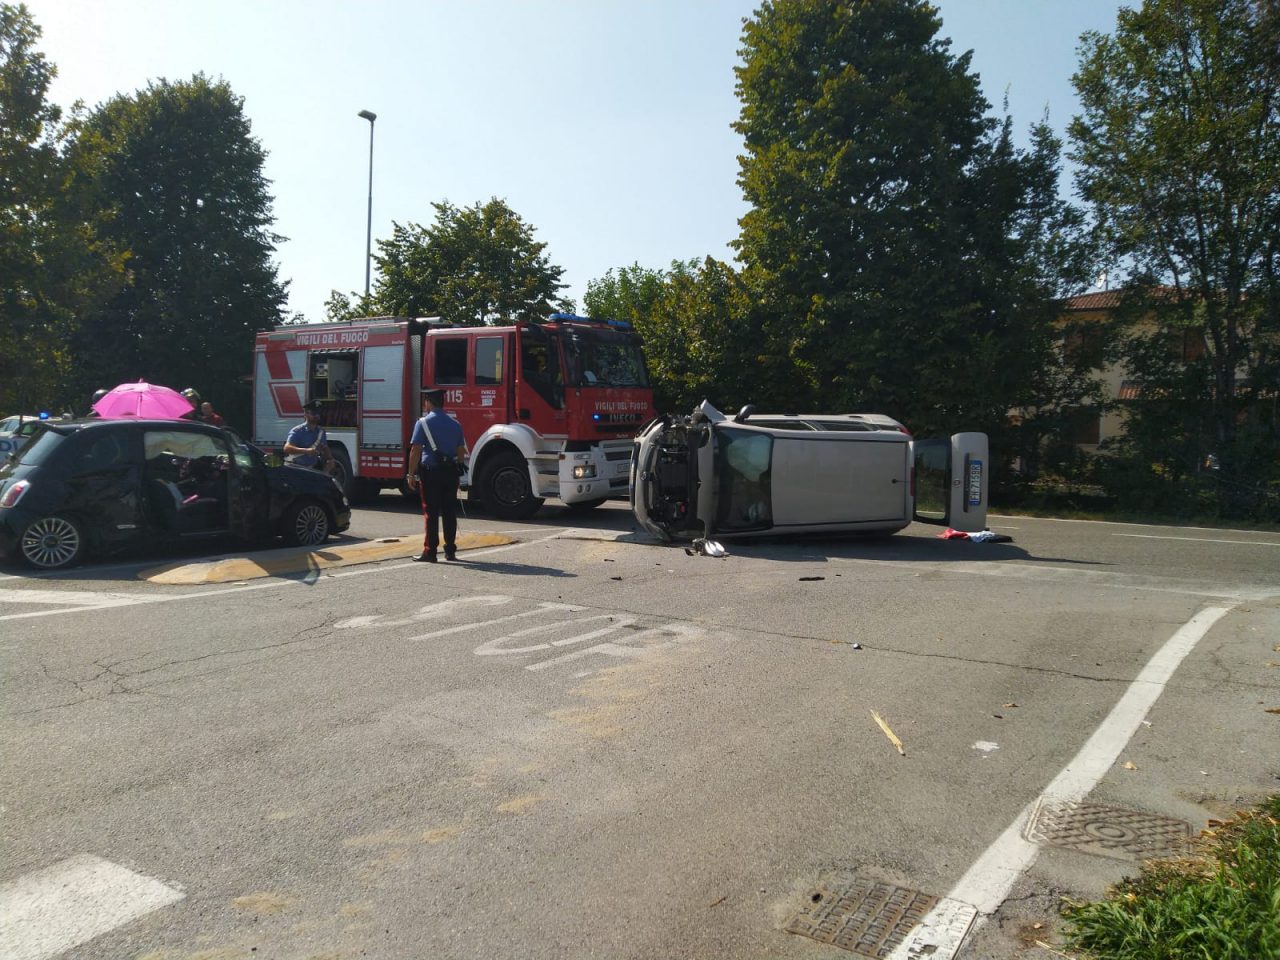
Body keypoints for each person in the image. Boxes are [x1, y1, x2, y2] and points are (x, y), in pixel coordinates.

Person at [406, 388, 467, 563]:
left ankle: (430, 552)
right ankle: (450, 551)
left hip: (431, 473)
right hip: (450, 473)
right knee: (449, 511)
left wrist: (411, 474)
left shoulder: (423, 423)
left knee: (431, 512)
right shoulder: (456, 424)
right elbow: (460, 451)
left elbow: (415, 451)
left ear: (428, 402)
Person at [283, 400, 335, 474]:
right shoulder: (298, 431)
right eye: (314, 413)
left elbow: (325, 448)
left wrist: (330, 460)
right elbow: (287, 448)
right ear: (306, 414)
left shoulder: (321, 432)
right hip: (296, 469)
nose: (317, 416)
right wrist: (306, 451)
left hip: (312, 469)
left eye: (318, 413)